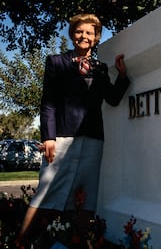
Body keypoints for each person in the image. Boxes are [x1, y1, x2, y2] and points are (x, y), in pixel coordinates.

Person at [17, 13, 130, 246]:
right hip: (61, 138)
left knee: (86, 197)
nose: (84, 36)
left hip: (93, 139)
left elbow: (113, 99)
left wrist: (122, 76)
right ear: (72, 35)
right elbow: (48, 102)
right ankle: (20, 243)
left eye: (89, 32)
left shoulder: (101, 68)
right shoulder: (56, 62)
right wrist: (48, 137)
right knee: (46, 191)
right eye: (79, 31)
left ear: (97, 37)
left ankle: (77, 243)